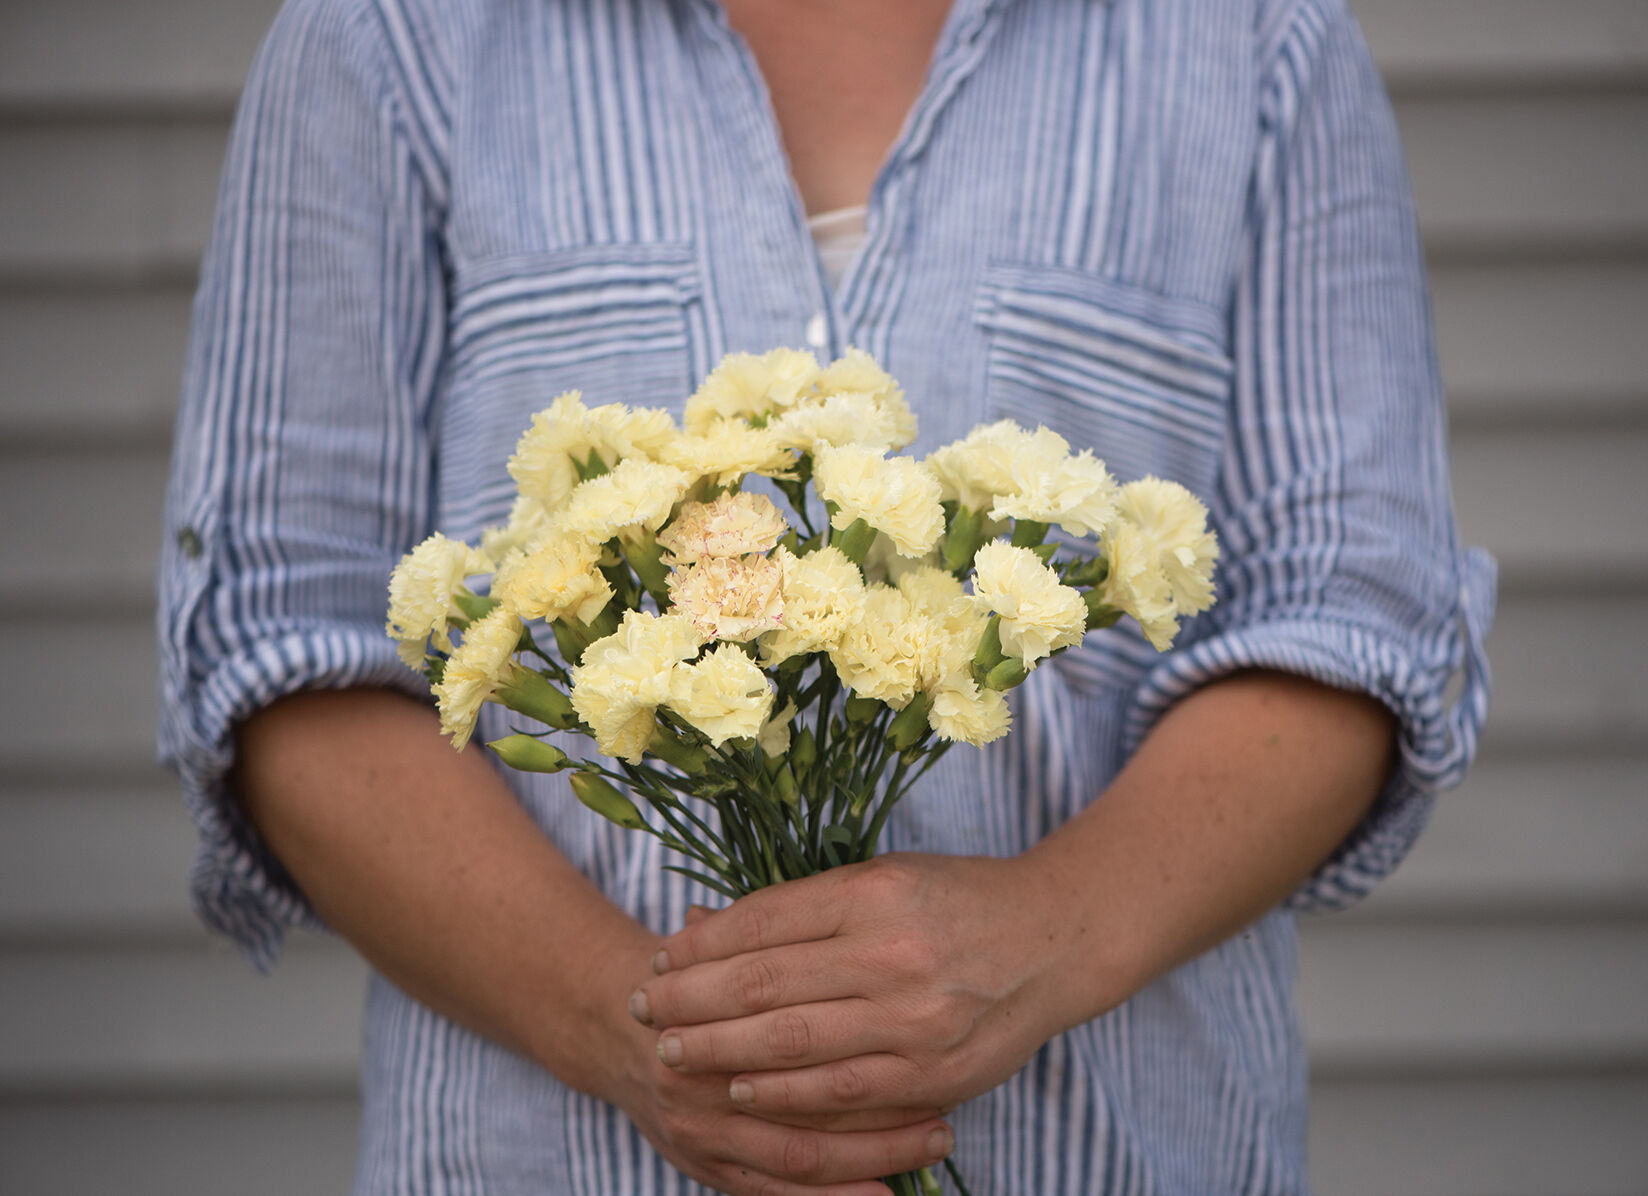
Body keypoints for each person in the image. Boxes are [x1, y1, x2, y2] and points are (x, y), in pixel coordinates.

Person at [158, 0, 1494, 1191]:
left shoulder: (1257, 39)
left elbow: (1354, 613)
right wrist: (660, 1041)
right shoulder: (389, 34)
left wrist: (1045, 932)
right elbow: (285, 637)